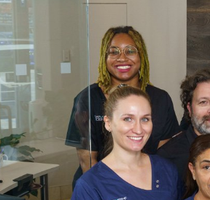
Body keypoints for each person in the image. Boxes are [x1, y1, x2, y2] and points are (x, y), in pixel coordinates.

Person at [63, 86, 179, 200]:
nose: (138, 129)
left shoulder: (167, 171)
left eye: (145, 119)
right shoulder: (91, 185)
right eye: (128, 119)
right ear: (108, 123)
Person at [65, 26, 179, 188]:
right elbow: (87, 161)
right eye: (114, 52)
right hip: (100, 187)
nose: (122, 58)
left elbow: (165, 156)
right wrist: (115, 197)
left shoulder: (160, 99)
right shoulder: (87, 99)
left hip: (146, 184)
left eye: (130, 51)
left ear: (142, 56)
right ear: (105, 58)